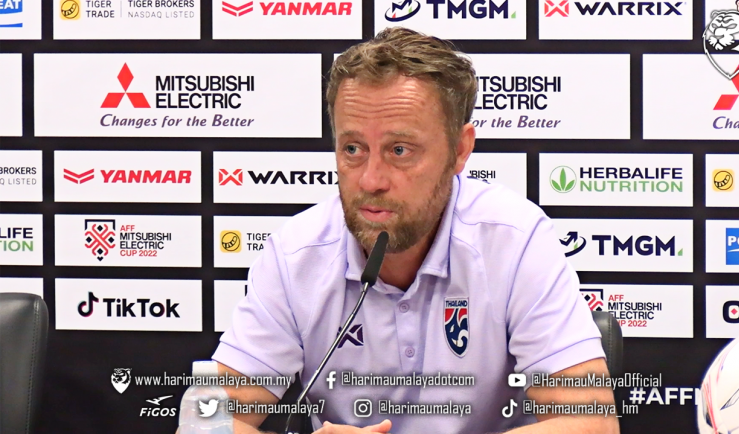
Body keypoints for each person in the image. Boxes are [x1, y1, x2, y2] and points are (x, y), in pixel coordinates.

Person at [211, 27, 619, 434]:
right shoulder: (295, 256)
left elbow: (592, 423)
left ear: (460, 150)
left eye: (399, 150)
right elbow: (204, 423)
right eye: (353, 149)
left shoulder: (514, 240)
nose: (371, 180)